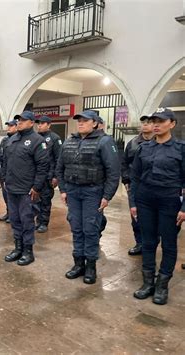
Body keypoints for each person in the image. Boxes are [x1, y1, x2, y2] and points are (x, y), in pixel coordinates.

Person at [56, 110, 120, 284]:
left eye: (85, 120)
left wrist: (107, 196)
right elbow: (59, 168)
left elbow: (113, 172)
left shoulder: (105, 141)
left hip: (93, 192)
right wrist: (63, 189)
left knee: (90, 229)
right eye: (79, 121)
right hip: (73, 191)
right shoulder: (70, 141)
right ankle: (78, 264)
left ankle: (91, 266)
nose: (81, 123)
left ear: (95, 123)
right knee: (76, 227)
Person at [130, 108, 185, 305]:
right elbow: (135, 178)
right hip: (145, 200)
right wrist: (133, 203)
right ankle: (148, 283)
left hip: (169, 201)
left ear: (172, 123)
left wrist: (184, 207)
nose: (156, 124)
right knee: (148, 242)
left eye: (161, 121)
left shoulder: (181, 148)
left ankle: (162, 285)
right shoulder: (144, 148)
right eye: (154, 120)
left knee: (169, 243)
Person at [2, 111, 49, 266]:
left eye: (23, 120)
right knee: (15, 220)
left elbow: (43, 167)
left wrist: (36, 187)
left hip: (27, 190)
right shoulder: (12, 140)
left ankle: (28, 251)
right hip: (12, 188)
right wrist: (4, 180)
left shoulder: (38, 141)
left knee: (27, 221)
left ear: (31, 123)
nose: (19, 122)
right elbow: (6, 163)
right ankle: (18, 248)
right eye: (18, 120)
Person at [120, 115, 154, 255]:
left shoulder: (160, 142)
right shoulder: (133, 143)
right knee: (136, 216)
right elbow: (124, 163)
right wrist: (126, 181)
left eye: (148, 123)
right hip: (136, 185)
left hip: (154, 186)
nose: (145, 125)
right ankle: (140, 243)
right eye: (143, 123)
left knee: (154, 217)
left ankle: (151, 243)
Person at [33, 116, 62, 233]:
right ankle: (38, 221)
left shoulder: (55, 138)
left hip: (48, 176)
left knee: (45, 200)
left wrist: (56, 176)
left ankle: (44, 222)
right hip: (36, 175)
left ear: (49, 125)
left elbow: (58, 158)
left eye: (42, 123)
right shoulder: (35, 138)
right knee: (36, 200)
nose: (39, 125)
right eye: (38, 124)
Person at [0, 119, 18, 224]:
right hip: (3, 170)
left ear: (16, 127)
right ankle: (8, 212)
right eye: (8, 126)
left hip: (13, 172)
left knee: (12, 197)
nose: (8, 128)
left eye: (11, 126)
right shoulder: (5, 140)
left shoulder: (17, 139)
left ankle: (13, 214)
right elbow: (2, 155)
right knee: (5, 195)